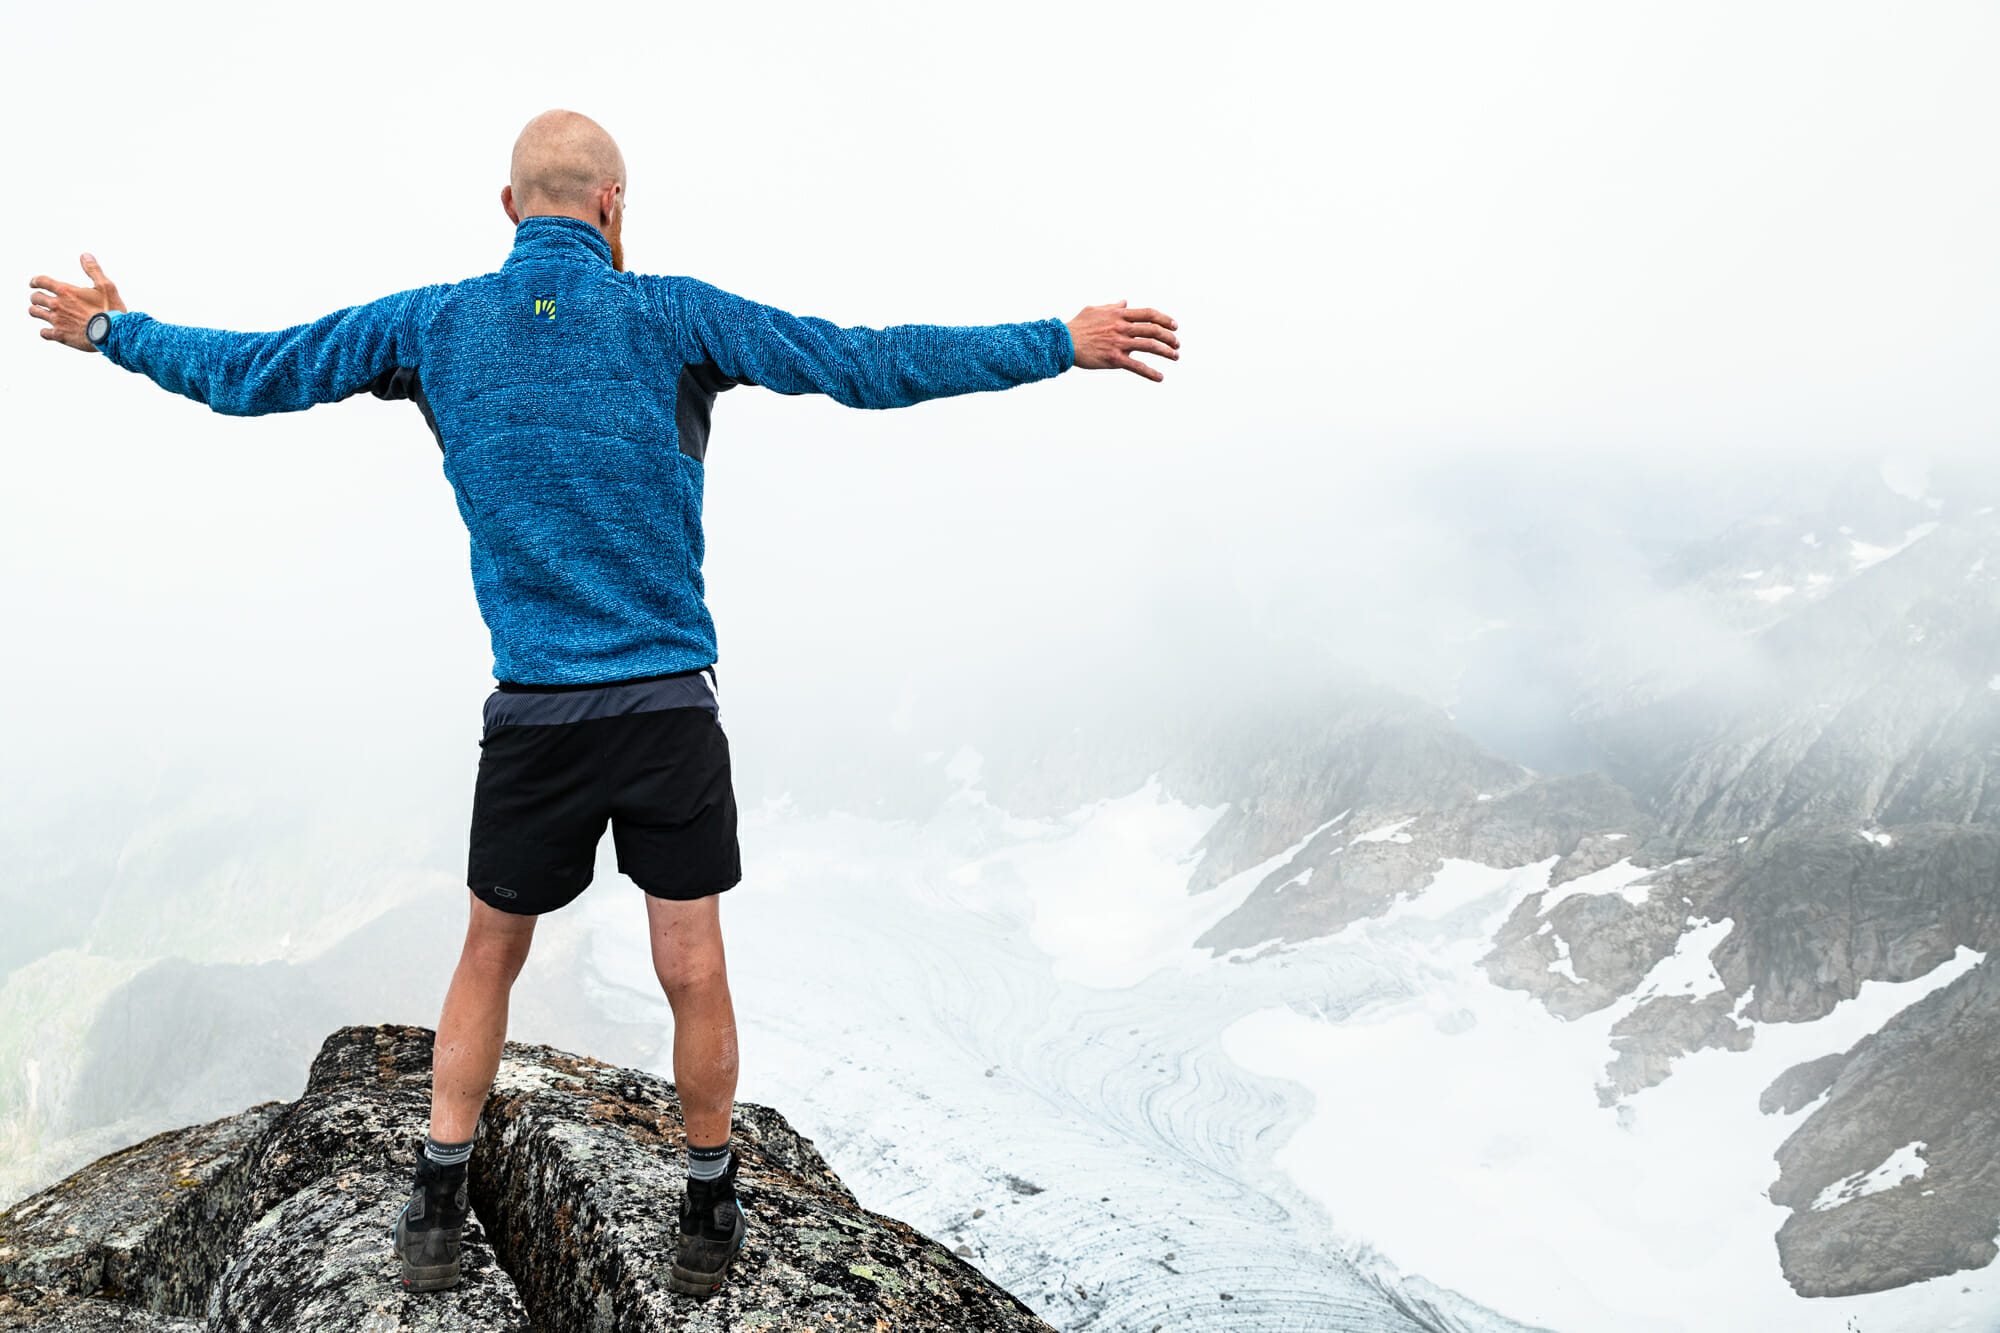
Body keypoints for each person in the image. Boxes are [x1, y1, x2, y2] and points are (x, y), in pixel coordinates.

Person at [26, 108, 1180, 1299]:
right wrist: (1058, 339)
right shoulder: (670, 313)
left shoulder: (435, 325)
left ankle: (434, 1199)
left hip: (534, 713)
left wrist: (114, 330)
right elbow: (865, 361)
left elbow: (254, 371)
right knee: (690, 962)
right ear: (614, 207)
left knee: (488, 953)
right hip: (666, 705)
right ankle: (707, 1203)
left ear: (510, 207)